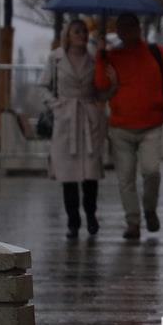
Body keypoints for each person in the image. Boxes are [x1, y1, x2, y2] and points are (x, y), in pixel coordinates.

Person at [93, 13, 163, 240]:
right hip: (120, 127)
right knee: (125, 178)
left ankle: (150, 209)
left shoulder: (156, 53)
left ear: (138, 29)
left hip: (151, 125)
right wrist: (101, 56)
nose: (126, 32)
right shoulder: (112, 56)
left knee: (151, 171)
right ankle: (132, 222)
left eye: (130, 27)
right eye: (121, 28)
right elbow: (101, 85)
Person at [40, 19, 110, 238]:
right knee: (67, 173)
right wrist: (56, 105)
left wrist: (104, 59)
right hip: (65, 119)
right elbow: (44, 86)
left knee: (91, 173)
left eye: (84, 31)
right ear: (67, 35)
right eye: (77, 31)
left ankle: (91, 215)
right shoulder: (56, 58)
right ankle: (73, 221)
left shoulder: (94, 57)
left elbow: (104, 88)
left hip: (89, 118)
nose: (82, 35)